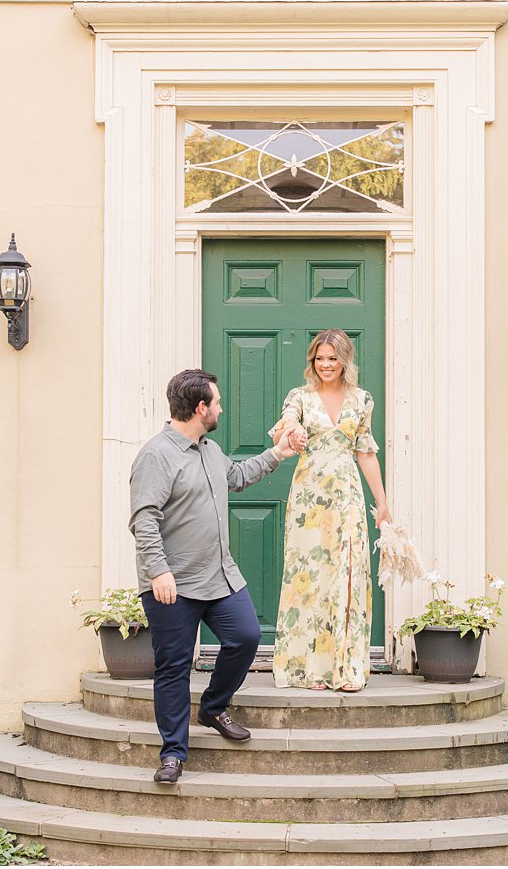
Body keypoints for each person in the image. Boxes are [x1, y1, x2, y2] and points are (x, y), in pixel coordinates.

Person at [130, 368, 301, 785]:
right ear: (201, 408)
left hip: (219, 575)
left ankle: (213, 706)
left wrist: (278, 453)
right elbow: (143, 520)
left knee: (244, 637)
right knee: (173, 667)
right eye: (218, 402)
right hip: (173, 583)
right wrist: (159, 572)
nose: (221, 408)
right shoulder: (156, 455)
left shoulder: (209, 449)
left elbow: (236, 477)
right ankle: (173, 754)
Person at [269, 329, 393, 692]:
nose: (326, 365)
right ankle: (313, 668)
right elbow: (284, 427)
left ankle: (346, 667)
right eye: (320, 358)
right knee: (309, 577)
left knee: (347, 574)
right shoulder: (300, 398)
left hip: (347, 494)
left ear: (344, 361)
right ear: (312, 361)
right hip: (309, 496)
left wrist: (382, 502)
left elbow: (365, 452)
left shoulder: (361, 400)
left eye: (332, 358)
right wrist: (293, 433)